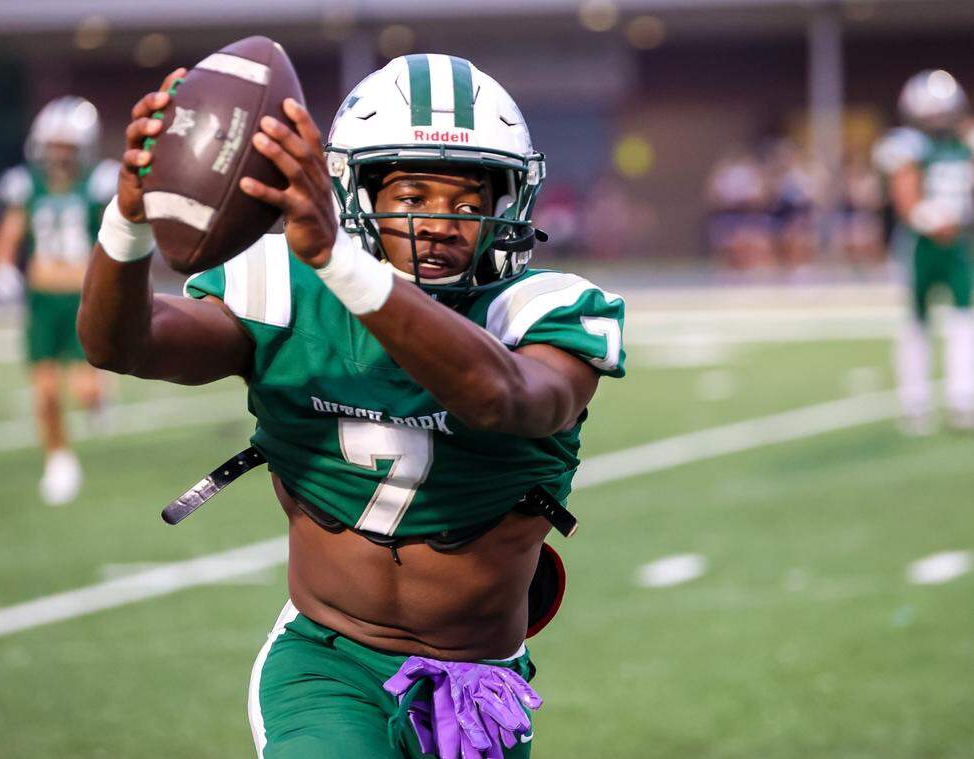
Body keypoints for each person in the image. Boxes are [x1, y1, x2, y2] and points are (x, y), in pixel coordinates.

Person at [79, 55, 626, 757]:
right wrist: (128, 220)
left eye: (468, 204)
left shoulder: (540, 310)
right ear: (353, 190)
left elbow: (506, 398)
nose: (441, 223)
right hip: (328, 662)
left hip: (477, 686)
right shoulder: (285, 286)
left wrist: (343, 263)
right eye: (414, 196)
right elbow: (122, 344)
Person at [0, 97, 118, 505]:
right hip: (42, 300)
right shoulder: (27, 184)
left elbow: (116, 240)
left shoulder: (98, 184)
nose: (59, 154)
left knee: (84, 390)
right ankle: (59, 460)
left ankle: (100, 395)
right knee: (44, 390)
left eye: (67, 146)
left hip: (82, 298)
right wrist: (1, 268)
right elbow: (8, 236)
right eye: (54, 145)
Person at [873, 69, 974, 434]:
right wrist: (930, 219)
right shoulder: (907, 146)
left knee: (965, 317)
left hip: (959, 242)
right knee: (917, 320)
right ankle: (914, 401)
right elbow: (905, 194)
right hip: (921, 243)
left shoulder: (964, 143)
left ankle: (963, 397)